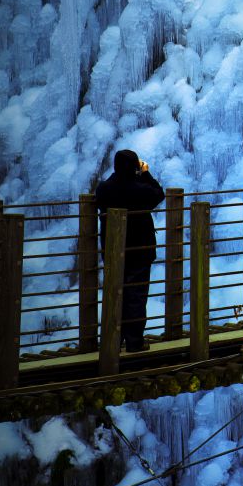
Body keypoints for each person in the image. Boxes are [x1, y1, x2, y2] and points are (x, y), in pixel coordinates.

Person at [95, 149, 165, 352]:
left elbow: (108, 188)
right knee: (136, 296)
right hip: (140, 252)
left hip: (113, 251)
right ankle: (134, 342)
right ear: (134, 167)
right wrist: (144, 172)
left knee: (114, 293)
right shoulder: (140, 189)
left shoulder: (104, 189)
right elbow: (158, 194)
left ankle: (112, 342)